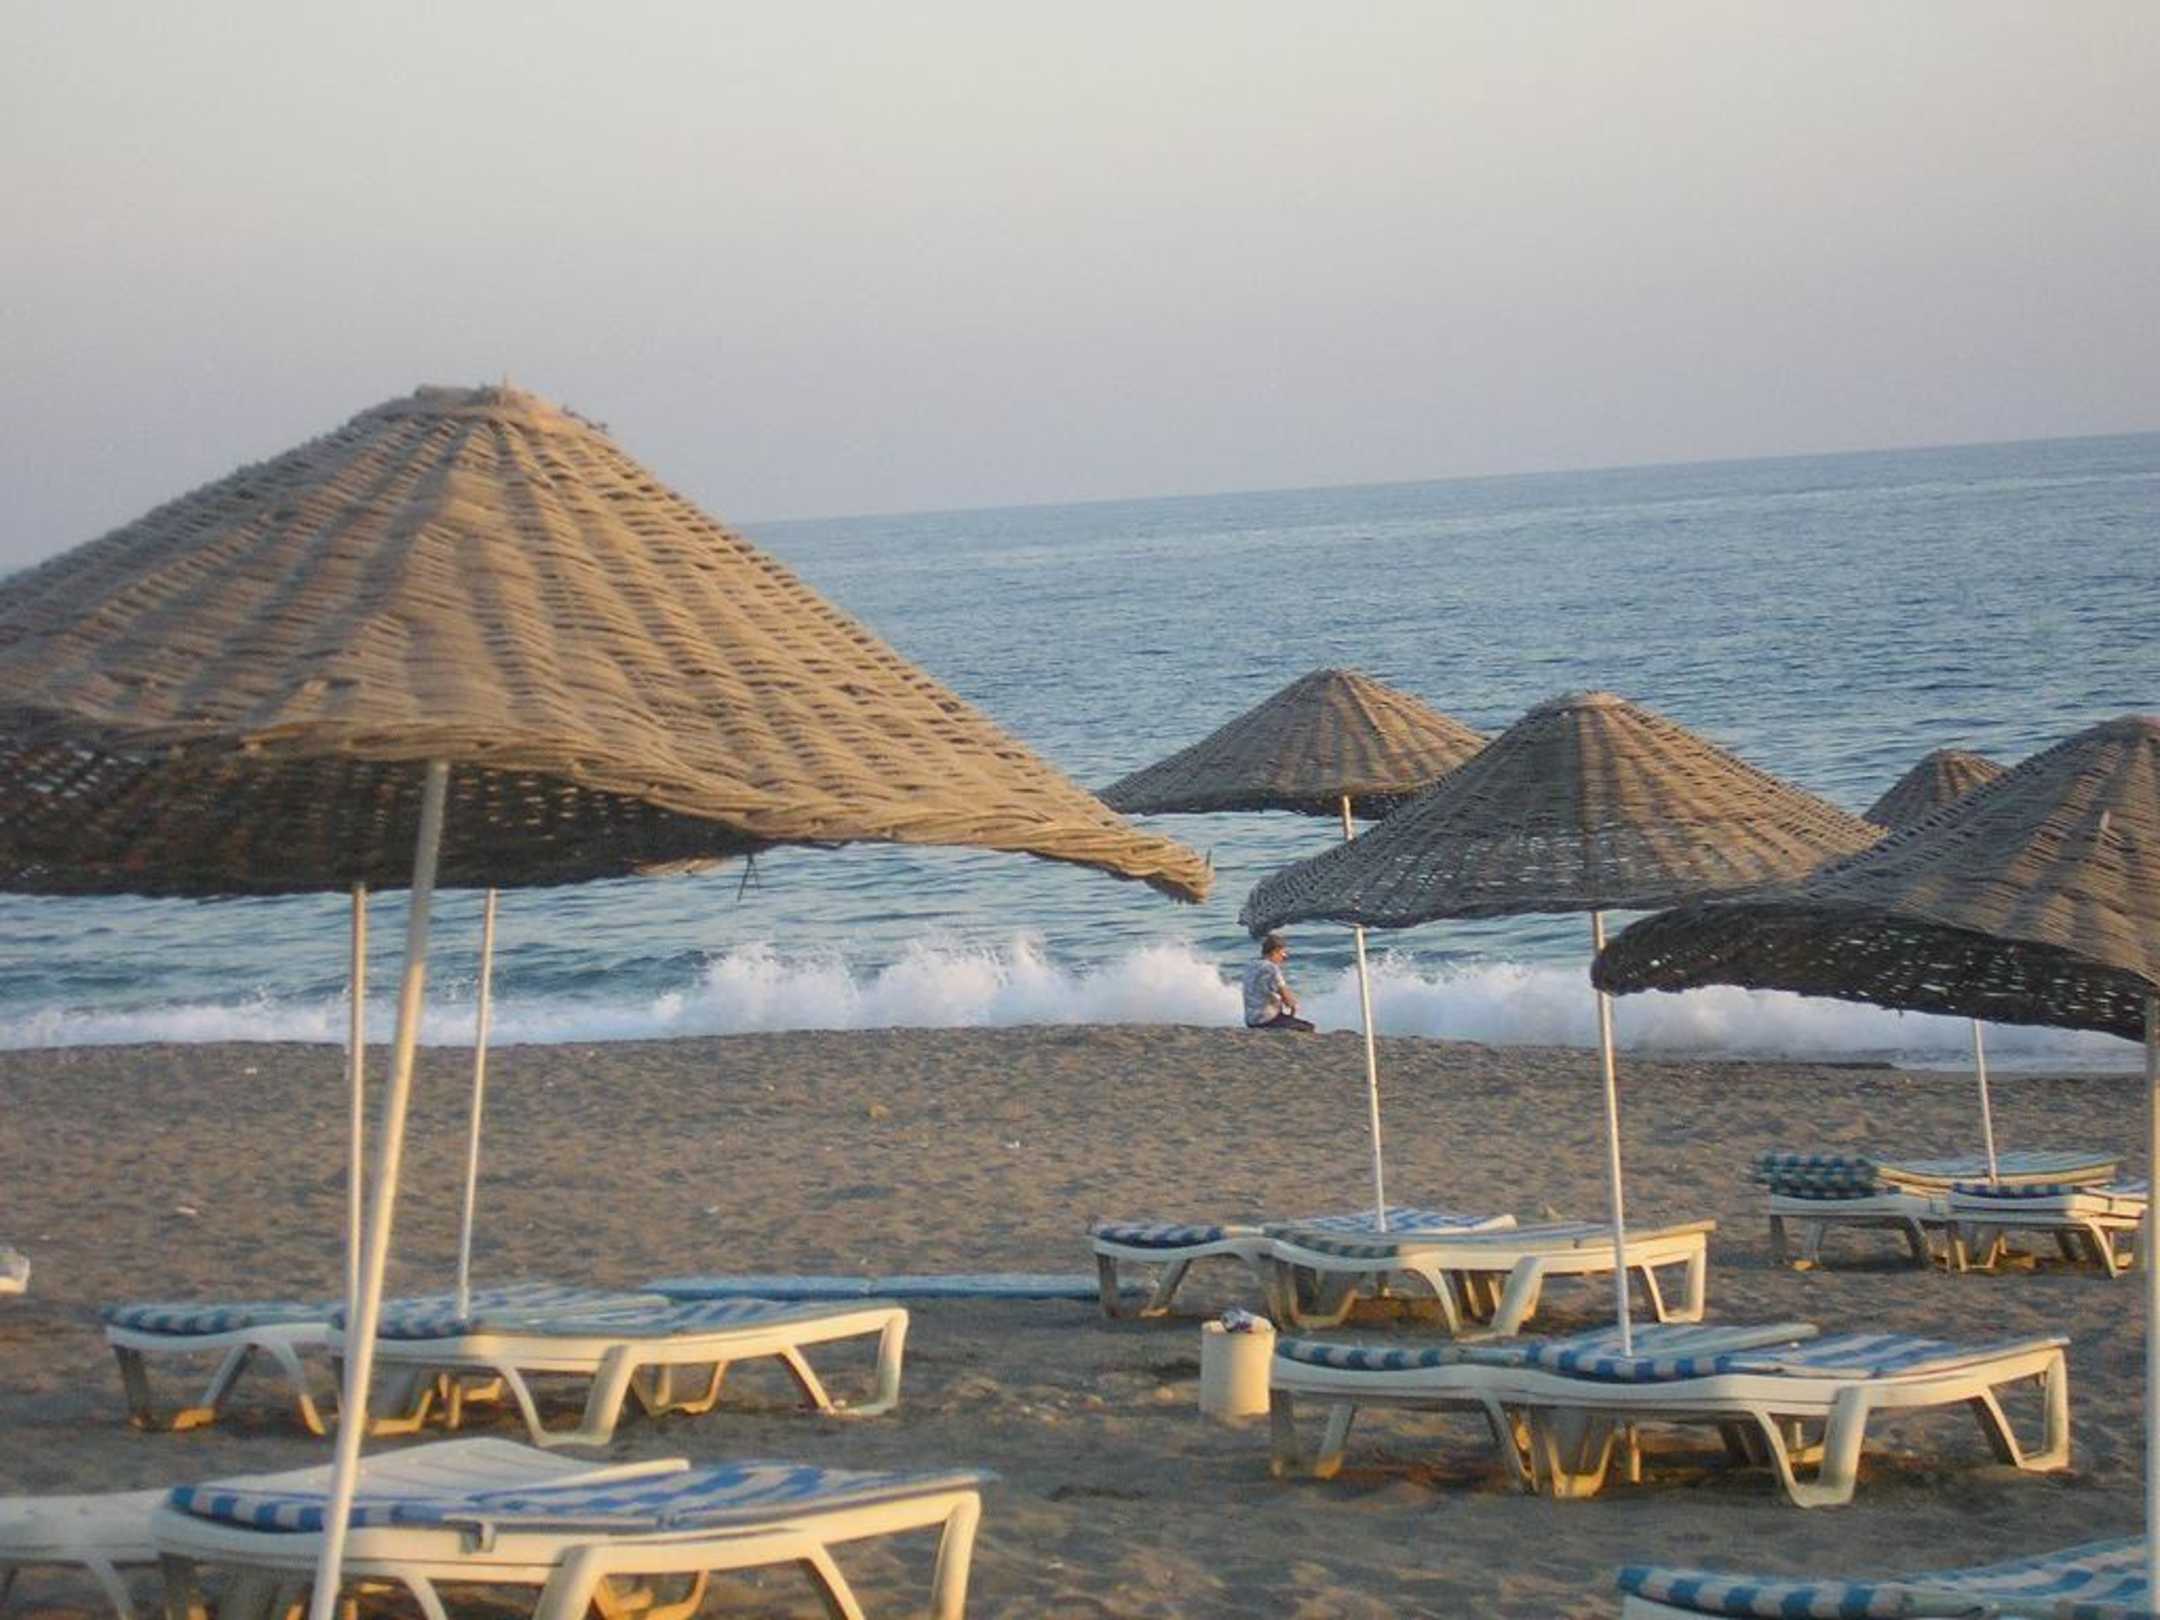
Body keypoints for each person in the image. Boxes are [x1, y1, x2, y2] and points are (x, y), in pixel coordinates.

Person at [1241, 933, 1314, 1031]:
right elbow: (1288, 1000)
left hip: (1250, 1021)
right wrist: (1293, 1005)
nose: (1284, 957)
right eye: (1283, 953)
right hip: (1267, 1020)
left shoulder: (1250, 966)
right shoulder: (1272, 968)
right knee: (1309, 1027)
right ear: (1275, 951)